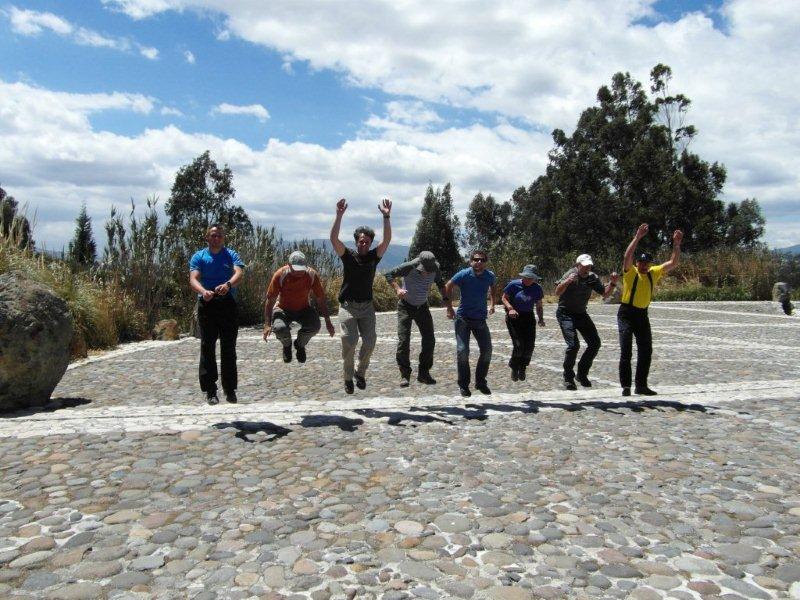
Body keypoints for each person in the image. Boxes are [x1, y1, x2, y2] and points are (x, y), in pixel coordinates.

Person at [330, 197, 392, 394]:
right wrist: (339, 215)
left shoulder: (374, 257)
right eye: (360, 241)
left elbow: (387, 240)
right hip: (348, 306)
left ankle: (360, 372)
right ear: (356, 242)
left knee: (370, 341)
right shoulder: (348, 256)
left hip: (366, 307)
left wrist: (386, 217)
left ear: (370, 242)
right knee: (349, 341)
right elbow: (334, 239)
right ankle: (348, 377)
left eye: (367, 241)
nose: (363, 244)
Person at [618, 223, 683, 396]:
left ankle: (641, 385)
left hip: (642, 315)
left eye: (647, 263)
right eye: (641, 262)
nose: (644, 265)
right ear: (637, 263)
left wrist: (676, 244)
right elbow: (626, 256)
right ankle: (626, 386)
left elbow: (673, 262)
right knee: (626, 350)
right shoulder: (631, 272)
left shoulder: (653, 273)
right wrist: (637, 237)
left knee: (646, 350)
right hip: (626, 314)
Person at [189, 224, 244, 405]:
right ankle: (210, 390)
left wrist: (228, 284)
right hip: (207, 303)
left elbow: (239, 273)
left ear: (223, 238)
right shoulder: (199, 256)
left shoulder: (231, 255)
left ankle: (230, 389)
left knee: (229, 347)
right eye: (213, 235)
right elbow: (193, 278)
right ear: (207, 237)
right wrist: (203, 291)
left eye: (219, 235)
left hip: (227, 303)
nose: (216, 238)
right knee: (207, 347)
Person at [555, 254, 619, 390]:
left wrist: (613, 283)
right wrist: (567, 282)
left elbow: (605, 294)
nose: (587, 268)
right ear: (578, 265)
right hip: (565, 314)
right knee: (573, 345)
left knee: (595, 343)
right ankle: (568, 378)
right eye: (584, 266)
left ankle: (582, 374)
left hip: (581, 314)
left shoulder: (592, 277)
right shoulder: (570, 274)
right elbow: (557, 292)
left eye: (589, 266)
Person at [385, 251, 448, 387]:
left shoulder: (436, 268)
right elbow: (388, 274)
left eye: (429, 270)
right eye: (424, 270)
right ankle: (405, 374)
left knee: (429, 340)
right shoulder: (409, 266)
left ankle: (423, 373)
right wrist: (398, 289)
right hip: (405, 306)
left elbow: (441, 284)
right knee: (403, 340)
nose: (427, 273)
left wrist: (447, 302)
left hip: (422, 307)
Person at [262, 250, 336, 362]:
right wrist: (267, 324)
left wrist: (328, 322)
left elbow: (320, 299)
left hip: (303, 308)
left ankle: (300, 344)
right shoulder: (280, 275)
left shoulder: (311, 275)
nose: (298, 272)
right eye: (295, 269)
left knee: (315, 326)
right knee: (279, 328)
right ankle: (287, 345)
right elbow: (270, 300)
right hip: (282, 309)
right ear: (289, 265)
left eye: (301, 269)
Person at [444, 249, 496, 397]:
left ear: (485, 262)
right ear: (471, 261)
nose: (479, 262)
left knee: (487, 350)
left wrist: (492, 304)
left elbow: (493, 288)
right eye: (476, 259)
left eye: (482, 260)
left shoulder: (490, 276)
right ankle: (463, 385)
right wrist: (449, 308)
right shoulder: (464, 274)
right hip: (463, 319)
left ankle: (480, 382)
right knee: (462, 351)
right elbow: (448, 286)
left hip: (480, 319)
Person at [501, 264, 545, 382]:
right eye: (526, 277)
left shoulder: (537, 288)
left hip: (528, 317)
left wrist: (541, 319)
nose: (528, 279)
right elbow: (504, 298)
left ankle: (523, 367)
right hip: (514, 317)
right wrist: (510, 308)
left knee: (529, 345)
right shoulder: (513, 285)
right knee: (519, 345)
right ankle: (514, 367)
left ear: (535, 278)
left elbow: (539, 305)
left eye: (531, 278)